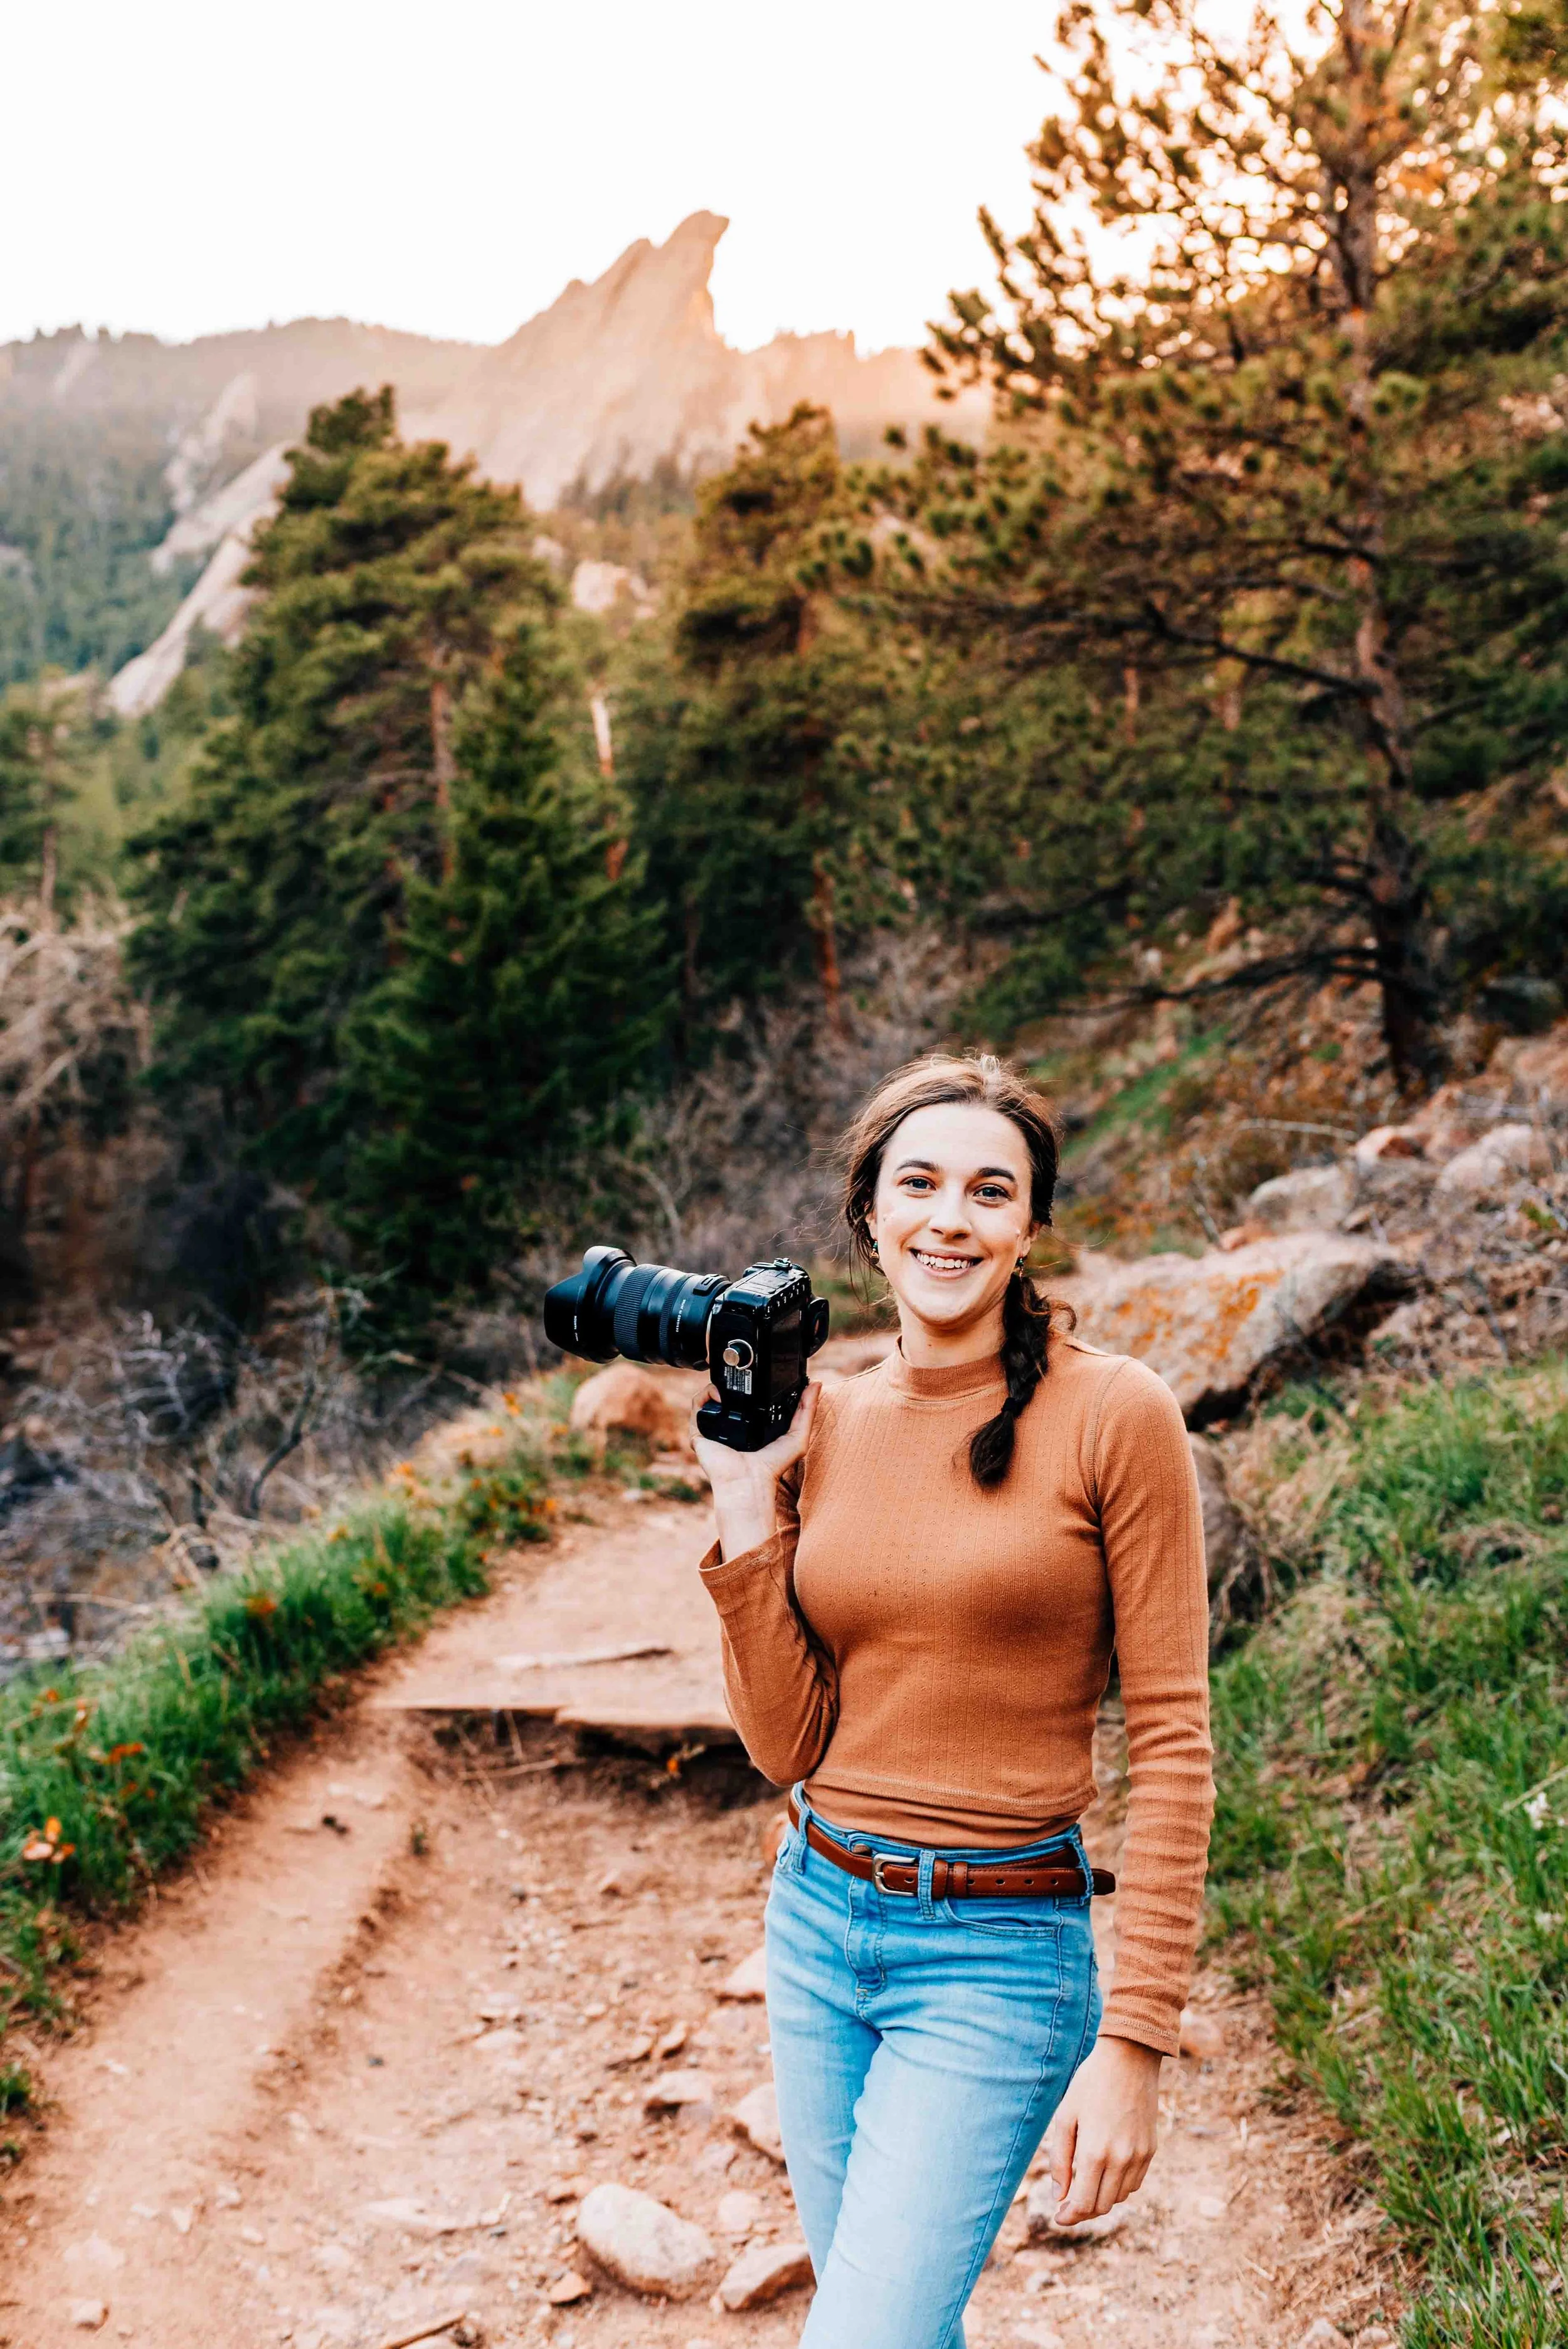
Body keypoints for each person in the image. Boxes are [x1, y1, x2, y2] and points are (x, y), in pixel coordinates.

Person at [692, 1053, 1212, 2349]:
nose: (950, 1218)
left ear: (1027, 1225)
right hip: (813, 1925)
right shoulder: (829, 1421)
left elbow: (1173, 1741)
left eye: (990, 1191)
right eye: (917, 1183)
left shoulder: (1114, 1414)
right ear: (868, 1213)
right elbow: (785, 1745)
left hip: (996, 1959)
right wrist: (743, 1504)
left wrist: (1135, 2042)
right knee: (896, 2327)